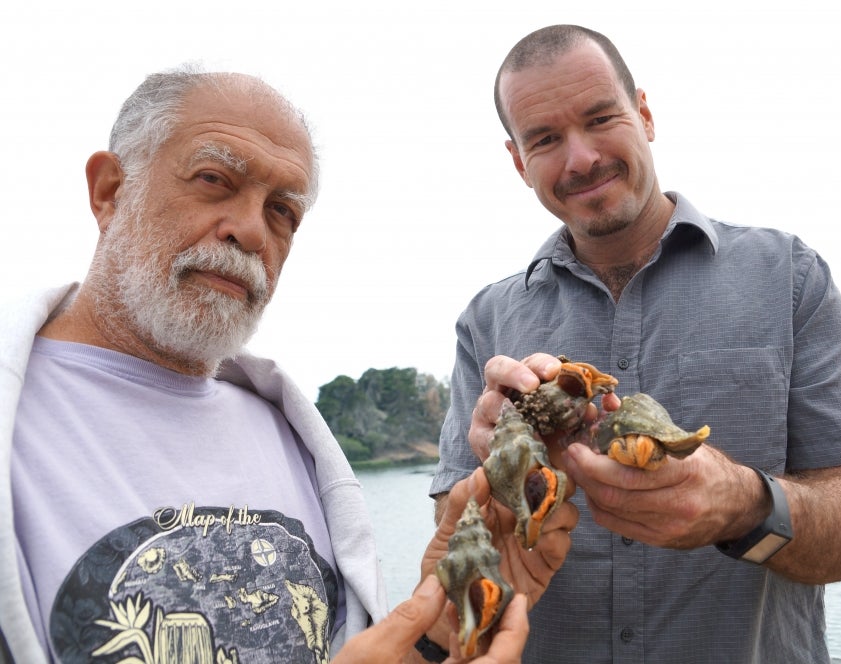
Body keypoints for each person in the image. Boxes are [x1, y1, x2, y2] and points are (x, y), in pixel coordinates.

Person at [0, 65, 576, 664]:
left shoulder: (294, 442)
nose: (251, 231)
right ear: (109, 191)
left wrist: (436, 630)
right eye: (214, 179)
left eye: (283, 212)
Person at [430, 24, 841, 663]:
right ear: (518, 161)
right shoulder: (485, 323)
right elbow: (452, 548)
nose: (581, 158)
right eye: (545, 139)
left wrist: (743, 505)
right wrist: (498, 475)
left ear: (644, 114)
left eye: (601, 118)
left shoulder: (789, 278)